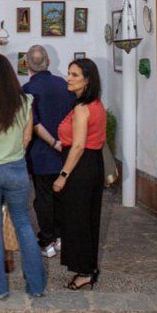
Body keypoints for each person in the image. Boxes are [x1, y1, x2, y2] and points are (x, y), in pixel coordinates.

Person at [0, 54, 46, 299]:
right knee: (23, 223)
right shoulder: (25, 101)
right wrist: (13, 154)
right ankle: (36, 286)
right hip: (16, 168)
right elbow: (27, 138)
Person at [54, 58, 106, 290]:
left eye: (75, 75)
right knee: (88, 218)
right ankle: (88, 267)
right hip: (92, 165)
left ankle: (84, 271)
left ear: (87, 80)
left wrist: (63, 175)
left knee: (77, 220)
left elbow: (78, 145)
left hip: (80, 167)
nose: (69, 78)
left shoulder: (83, 108)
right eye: (69, 73)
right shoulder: (96, 104)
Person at [22, 45, 76, 258]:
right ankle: (61, 236)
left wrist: (53, 142)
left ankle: (47, 240)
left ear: (27, 64)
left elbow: (33, 123)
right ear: (49, 63)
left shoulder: (27, 90)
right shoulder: (64, 85)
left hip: (41, 153)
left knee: (43, 198)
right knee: (62, 196)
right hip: (66, 151)